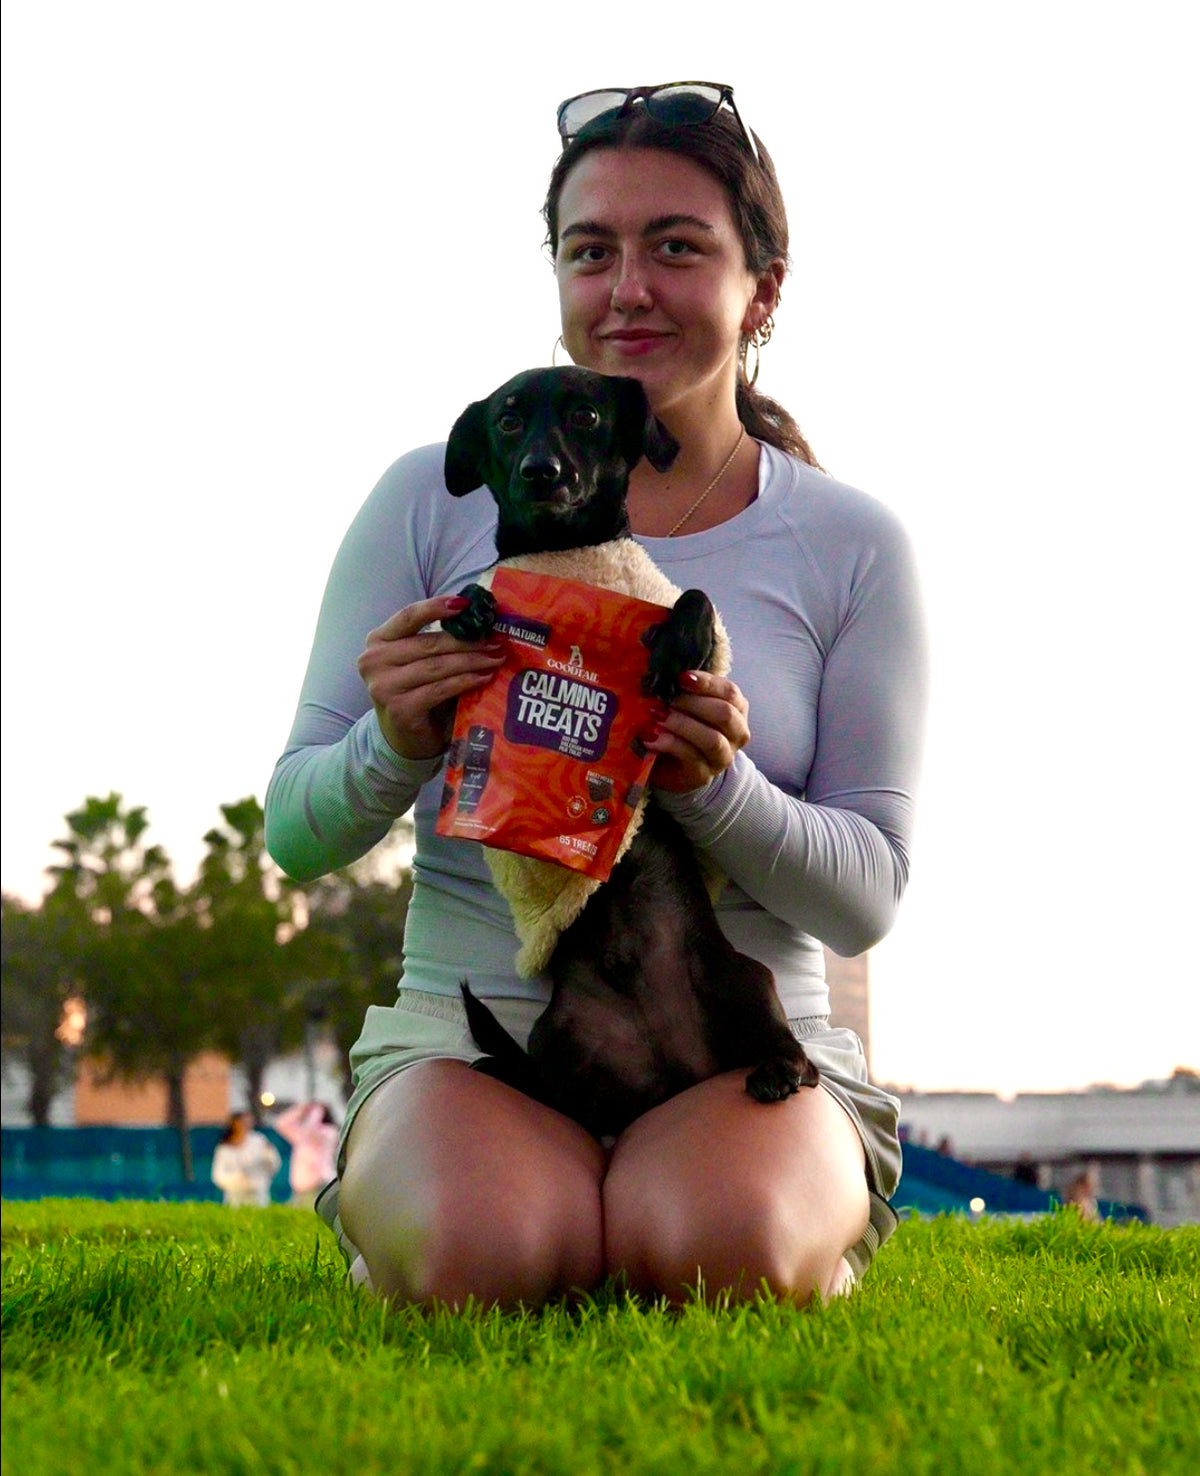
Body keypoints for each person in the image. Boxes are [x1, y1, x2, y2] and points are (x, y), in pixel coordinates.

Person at [265, 82, 927, 1308]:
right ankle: (437, 1198)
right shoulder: (429, 494)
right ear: (560, 279)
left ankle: (783, 1207)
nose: (627, 288)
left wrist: (716, 787)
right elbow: (295, 832)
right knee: (488, 1260)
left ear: (762, 289)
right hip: (477, 1039)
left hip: (737, 1045)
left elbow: (867, 898)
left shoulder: (848, 542)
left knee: (717, 1255)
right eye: (590, 252)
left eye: (676, 247)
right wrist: (393, 741)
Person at [274, 1100, 339, 1210]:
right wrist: (300, 1110)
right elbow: (280, 1124)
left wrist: (316, 1112)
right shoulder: (302, 1137)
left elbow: (312, 1132)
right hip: (300, 1189)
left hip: (319, 1186)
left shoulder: (329, 1132)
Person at [211, 1110, 282, 1208]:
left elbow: (273, 1163)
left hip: (258, 1196)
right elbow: (218, 1176)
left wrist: (268, 1157)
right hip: (235, 1198)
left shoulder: (259, 1140)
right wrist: (237, 1179)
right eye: (242, 1122)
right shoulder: (224, 1148)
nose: (244, 1125)